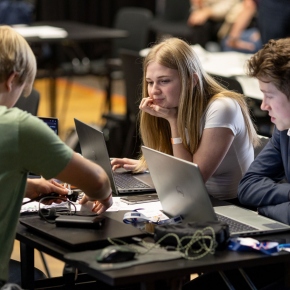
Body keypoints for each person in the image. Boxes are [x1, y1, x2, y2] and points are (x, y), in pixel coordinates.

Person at [0, 25, 113, 288]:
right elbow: (97, 181)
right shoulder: (16, 126)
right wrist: (104, 195)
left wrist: (26, 186)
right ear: (12, 79)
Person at [111, 37, 259, 202]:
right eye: (150, 82)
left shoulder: (222, 107)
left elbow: (190, 182)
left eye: (164, 81)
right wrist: (146, 166)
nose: (153, 91)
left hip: (230, 206)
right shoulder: (173, 105)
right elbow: (179, 173)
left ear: (191, 81)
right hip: (194, 200)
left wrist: (174, 123)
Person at [238, 37, 290, 225]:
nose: (263, 105)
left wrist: (264, 209)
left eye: (269, 95)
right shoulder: (283, 131)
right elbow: (247, 187)